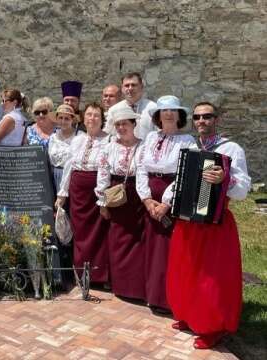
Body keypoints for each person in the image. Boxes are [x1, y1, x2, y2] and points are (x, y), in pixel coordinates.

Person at [166, 102, 251, 349]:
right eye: (197, 117)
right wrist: (170, 197)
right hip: (188, 222)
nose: (202, 120)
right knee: (186, 271)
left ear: (217, 119)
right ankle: (188, 314)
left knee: (212, 278)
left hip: (215, 223)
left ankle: (212, 326)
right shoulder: (191, 147)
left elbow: (244, 189)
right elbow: (179, 179)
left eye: (207, 116)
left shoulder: (231, 149)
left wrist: (226, 178)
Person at [135, 95, 195, 312]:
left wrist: (166, 203)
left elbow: (184, 173)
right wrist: (146, 198)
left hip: (172, 196)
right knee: (151, 248)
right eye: (164, 110)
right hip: (150, 196)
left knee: (168, 249)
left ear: (180, 115)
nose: (168, 114)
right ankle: (152, 294)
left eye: (173, 110)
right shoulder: (151, 137)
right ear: (158, 115)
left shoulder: (187, 141)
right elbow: (141, 167)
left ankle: (168, 299)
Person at [95, 103, 145, 301]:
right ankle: (121, 285)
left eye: (125, 124)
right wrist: (103, 203)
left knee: (137, 241)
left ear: (134, 124)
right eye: (118, 125)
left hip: (137, 197)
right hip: (116, 194)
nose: (122, 128)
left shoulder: (142, 147)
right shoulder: (109, 148)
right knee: (117, 240)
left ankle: (136, 287)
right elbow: (103, 175)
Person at [56, 103, 111, 285]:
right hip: (78, 193)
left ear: (102, 119)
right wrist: (62, 193)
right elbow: (69, 166)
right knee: (79, 234)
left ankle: (98, 276)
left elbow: (106, 169)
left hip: (96, 192)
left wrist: (102, 197)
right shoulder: (78, 139)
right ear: (83, 118)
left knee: (98, 233)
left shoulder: (108, 140)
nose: (92, 118)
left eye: (96, 115)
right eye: (88, 115)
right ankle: (80, 273)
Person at [105, 73, 157, 139]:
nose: (130, 88)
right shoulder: (113, 110)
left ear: (141, 87)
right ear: (122, 88)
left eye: (134, 85)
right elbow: (108, 135)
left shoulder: (153, 108)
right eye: (127, 85)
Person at [48, 104, 80, 195]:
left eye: (67, 118)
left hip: (72, 176)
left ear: (72, 120)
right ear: (57, 119)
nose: (63, 121)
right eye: (60, 118)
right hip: (55, 175)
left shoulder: (79, 136)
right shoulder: (53, 137)